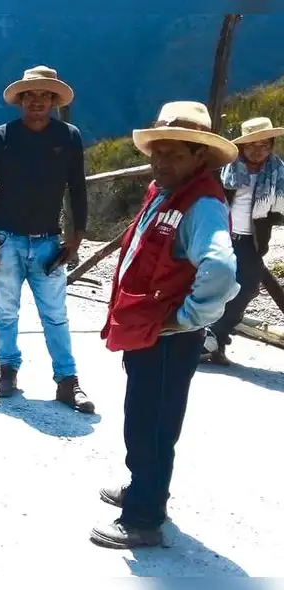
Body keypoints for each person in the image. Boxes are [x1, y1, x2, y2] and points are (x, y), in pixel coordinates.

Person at [92, 101, 239, 549]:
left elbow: (221, 269)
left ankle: (143, 519)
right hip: (151, 332)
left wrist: (187, 318)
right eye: (158, 151)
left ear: (200, 157)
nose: (161, 160)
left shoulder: (203, 205)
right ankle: (145, 490)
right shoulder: (167, 190)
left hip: (168, 336)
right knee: (144, 416)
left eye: (174, 153)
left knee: (152, 422)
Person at [0, 65, 93, 413]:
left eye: (45, 96)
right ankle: (7, 370)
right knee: (6, 311)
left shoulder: (68, 137)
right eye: (31, 95)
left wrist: (76, 237)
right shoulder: (2, 136)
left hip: (48, 241)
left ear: (54, 101)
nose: (37, 101)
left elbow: (78, 189)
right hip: (6, 238)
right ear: (21, 100)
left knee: (55, 313)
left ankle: (67, 381)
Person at [202, 116, 284, 365]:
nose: (258, 151)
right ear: (241, 147)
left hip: (251, 241)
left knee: (247, 288)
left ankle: (214, 337)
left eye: (264, 145)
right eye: (251, 146)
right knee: (215, 287)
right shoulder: (225, 168)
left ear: (270, 145)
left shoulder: (277, 172)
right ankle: (206, 341)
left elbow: (278, 212)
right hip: (221, 234)